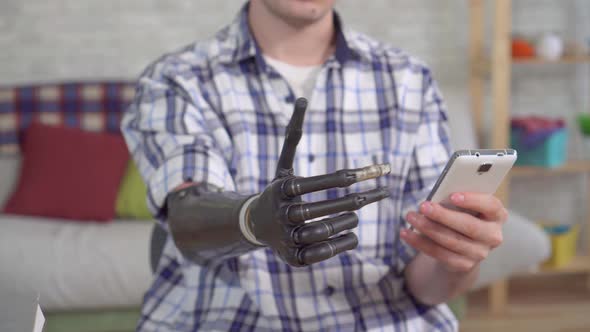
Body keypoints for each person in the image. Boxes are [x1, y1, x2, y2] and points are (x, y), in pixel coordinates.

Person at [122, 1, 508, 330]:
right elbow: (189, 218)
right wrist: (252, 219)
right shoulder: (177, 81)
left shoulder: (410, 80)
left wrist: (457, 257)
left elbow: (426, 285)